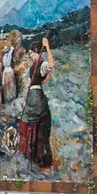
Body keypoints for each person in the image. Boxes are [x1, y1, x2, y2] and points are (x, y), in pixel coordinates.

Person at [18, 38, 55, 171]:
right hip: (35, 97)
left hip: (36, 98)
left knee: (36, 126)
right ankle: (36, 157)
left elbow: (51, 64)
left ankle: (41, 160)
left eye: (31, 54)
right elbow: (36, 82)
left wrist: (47, 46)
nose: (30, 56)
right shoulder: (34, 66)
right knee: (37, 126)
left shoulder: (41, 63)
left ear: (36, 52)